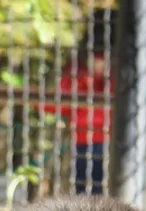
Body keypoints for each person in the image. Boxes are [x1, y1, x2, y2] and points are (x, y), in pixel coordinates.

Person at [42, 8, 115, 195]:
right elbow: (54, 103)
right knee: (88, 193)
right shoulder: (78, 69)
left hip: (104, 141)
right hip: (86, 139)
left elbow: (54, 102)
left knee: (91, 193)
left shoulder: (89, 68)